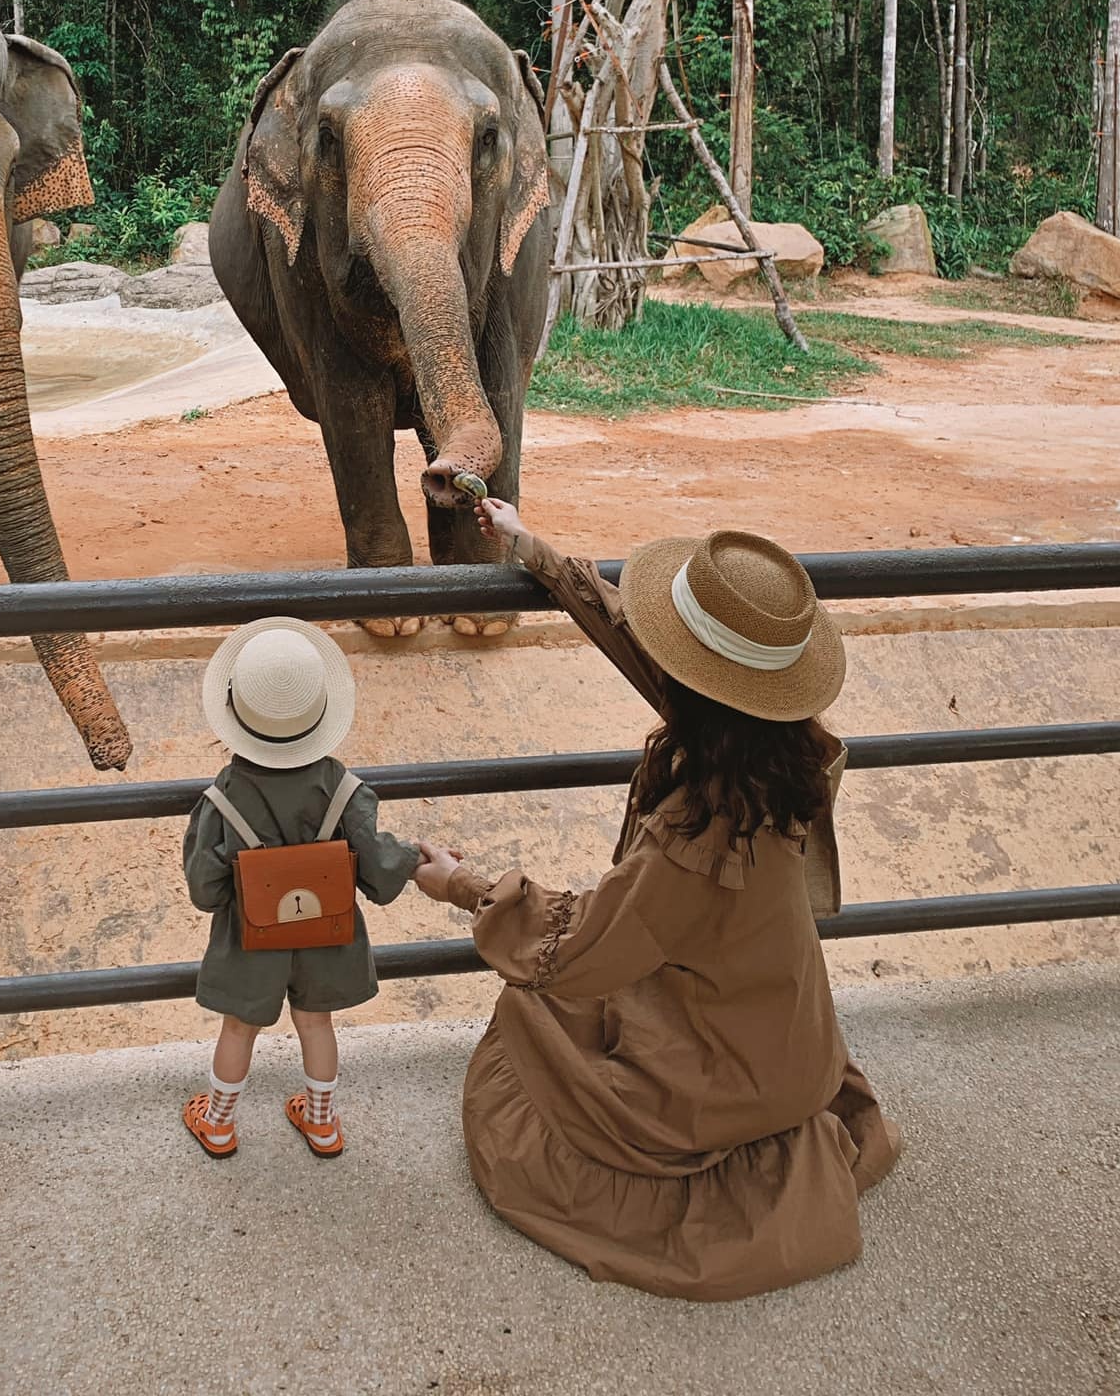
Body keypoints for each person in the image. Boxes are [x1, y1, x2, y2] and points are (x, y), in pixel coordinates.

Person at [414, 500, 902, 1301]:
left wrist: (461, 887)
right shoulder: (789, 755)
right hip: (790, 1035)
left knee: (531, 1011)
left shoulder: (696, 834)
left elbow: (575, 948)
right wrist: (538, 553)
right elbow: (642, 647)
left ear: (694, 686)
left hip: (720, 1073)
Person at [181, 615, 421, 1160]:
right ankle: (321, 1123)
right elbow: (379, 868)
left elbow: (204, 890)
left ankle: (217, 1124)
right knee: (316, 1025)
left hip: (251, 939)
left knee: (238, 1029)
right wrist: (414, 857)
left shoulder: (224, 796)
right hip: (325, 935)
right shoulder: (343, 787)